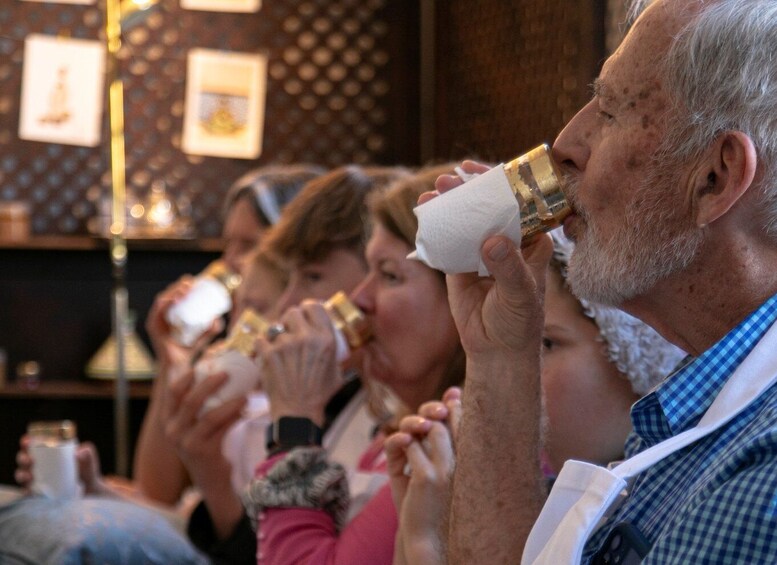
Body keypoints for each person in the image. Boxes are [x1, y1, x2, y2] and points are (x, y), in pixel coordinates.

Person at [438, 0, 777, 563]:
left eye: (611, 110)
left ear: (715, 178)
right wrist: (500, 355)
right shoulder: (695, 400)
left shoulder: (764, 473)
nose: (565, 145)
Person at [3, 165, 319, 564]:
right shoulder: (233, 353)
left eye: (250, 244)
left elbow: (244, 538)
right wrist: (173, 361)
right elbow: (160, 491)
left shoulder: (301, 379)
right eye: (228, 244)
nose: (231, 261)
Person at [383, 231, 686, 564]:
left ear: (635, 360)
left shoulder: (663, 516)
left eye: (546, 344)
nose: (513, 373)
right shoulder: (544, 495)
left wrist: (427, 544)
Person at [164, 165, 407, 564]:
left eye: (311, 276)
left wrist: (294, 421)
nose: (286, 306)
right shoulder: (345, 397)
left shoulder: (412, 422)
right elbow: (273, 549)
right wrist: (209, 470)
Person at [239, 164, 466, 565]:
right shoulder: (393, 433)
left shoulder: (454, 441)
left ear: (464, 295)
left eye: (389, 275)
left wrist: (294, 424)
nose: (358, 299)